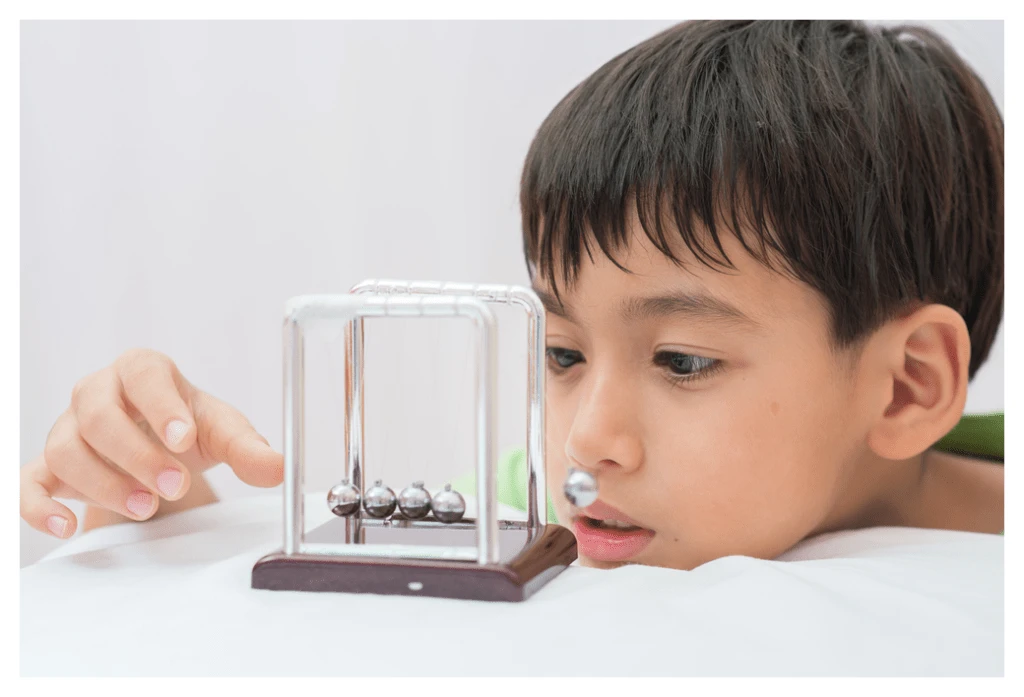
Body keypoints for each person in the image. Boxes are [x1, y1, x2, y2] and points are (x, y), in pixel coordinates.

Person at [20, 20, 1003, 572]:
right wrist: (157, 496)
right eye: (562, 353)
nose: (585, 440)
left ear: (907, 385)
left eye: (681, 361)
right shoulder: (525, 507)